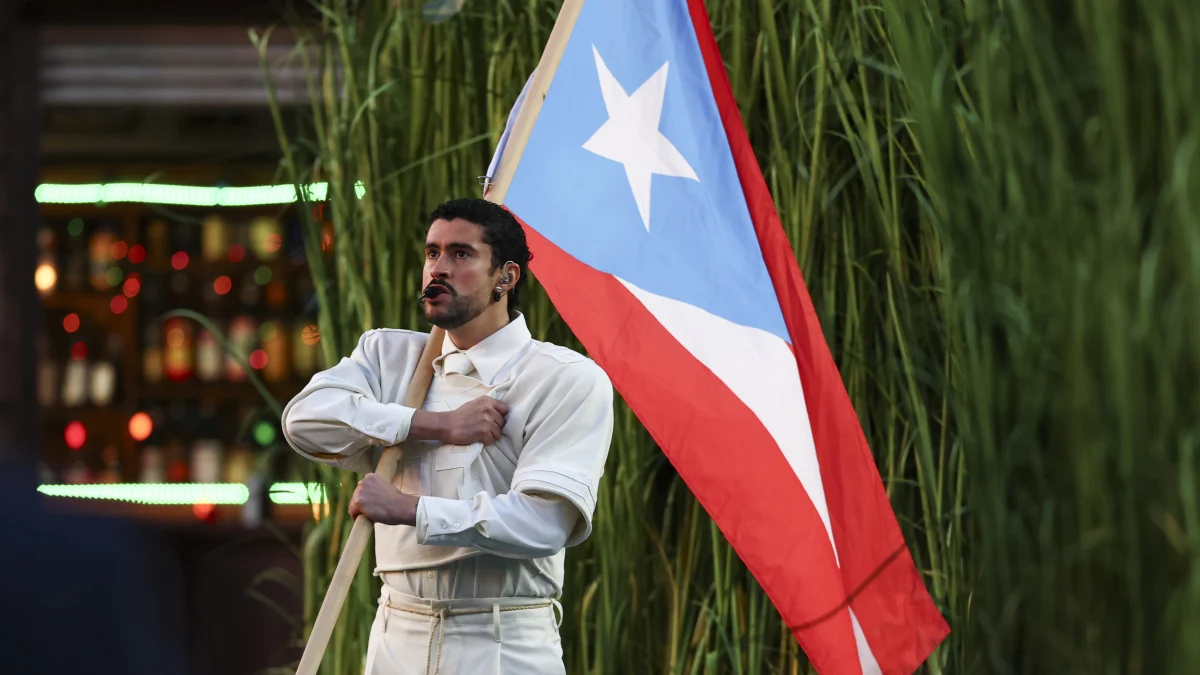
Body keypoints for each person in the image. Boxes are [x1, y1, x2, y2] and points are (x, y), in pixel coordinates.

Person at [281, 198, 614, 675]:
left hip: (501, 641)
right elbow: (303, 421)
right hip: (394, 633)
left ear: (506, 277)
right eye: (432, 252)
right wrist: (435, 425)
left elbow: (544, 524)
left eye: (461, 254)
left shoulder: (563, 377)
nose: (438, 268)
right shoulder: (388, 357)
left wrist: (409, 509)